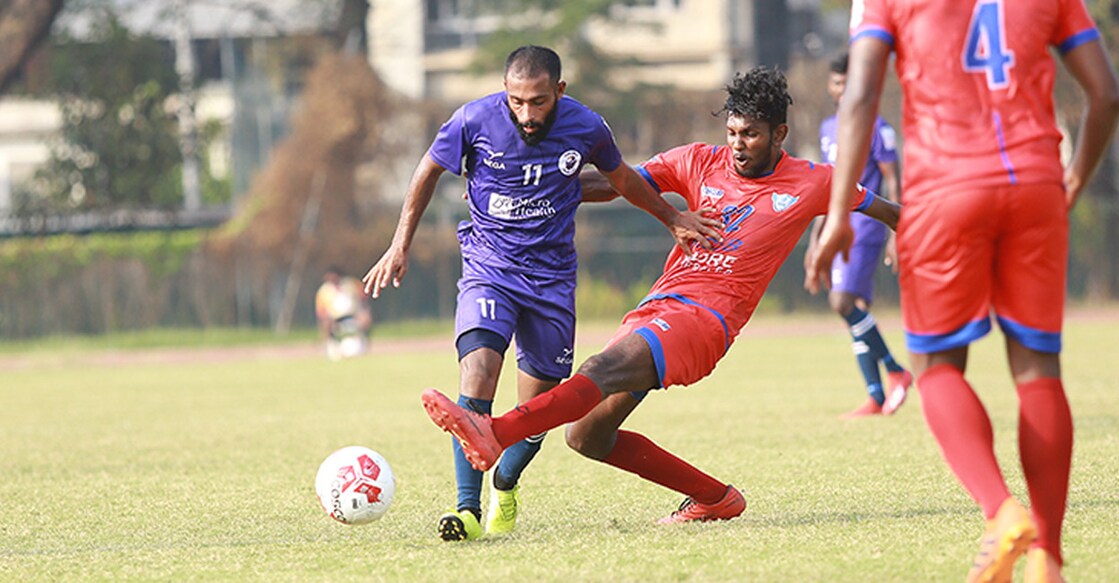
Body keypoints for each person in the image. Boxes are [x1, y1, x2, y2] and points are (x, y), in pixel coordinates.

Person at [420, 66, 901, 525]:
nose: (737, 145)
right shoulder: (698, 160)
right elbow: (617, 184)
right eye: (732, 132)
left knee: (596, 371)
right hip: (657, 307)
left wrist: (917, 236)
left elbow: (888, 210)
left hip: (707, 321)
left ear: (780, 134)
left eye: (750, 134)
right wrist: (521, 185)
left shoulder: (813, 180)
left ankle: (496, 431)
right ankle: (717, 499)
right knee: (586, 436)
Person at [805, 0, 1119, 580]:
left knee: (936, 364)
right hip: (1034, 182)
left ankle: (1002, 513)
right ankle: (1048, 558)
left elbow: (860, 96)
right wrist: (1072, 178)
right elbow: (1106, 93)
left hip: (944, 190)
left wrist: (838, 210)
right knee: (1038, 371)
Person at [362, 45, 718, 542]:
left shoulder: (587, 127)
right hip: (490, 266)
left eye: (538, 102)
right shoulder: (472, 120)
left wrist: (673, 217)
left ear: (560, 91)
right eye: (517, 102)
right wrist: (400, 244)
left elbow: (622, 181)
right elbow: (426, 170)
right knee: (479, 371)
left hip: (551, 281)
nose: (527, 114)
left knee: (539, 412)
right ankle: (465, 509)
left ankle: (504, 482)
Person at [805, 52, 911, 418]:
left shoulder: (878, 127)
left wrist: (898, 232)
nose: (841, 89)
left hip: (865, 224)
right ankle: (876, 395)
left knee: (842, 302)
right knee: (854, 309)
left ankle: (896, 370)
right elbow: (825, 186)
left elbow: (893, 181)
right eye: (836, 82)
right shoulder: (827, 129)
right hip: (836, 224)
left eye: (848, 82)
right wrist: (817, 236)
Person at [315, 266, 372, 361]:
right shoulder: (324, 291)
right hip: (335, 318)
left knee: (365, 318)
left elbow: (364, 299)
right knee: (325, 324)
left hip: (353, 315)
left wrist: (364, 312)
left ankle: (363, 342)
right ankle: (330, 346)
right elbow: (321, 312)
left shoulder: (351, 284)